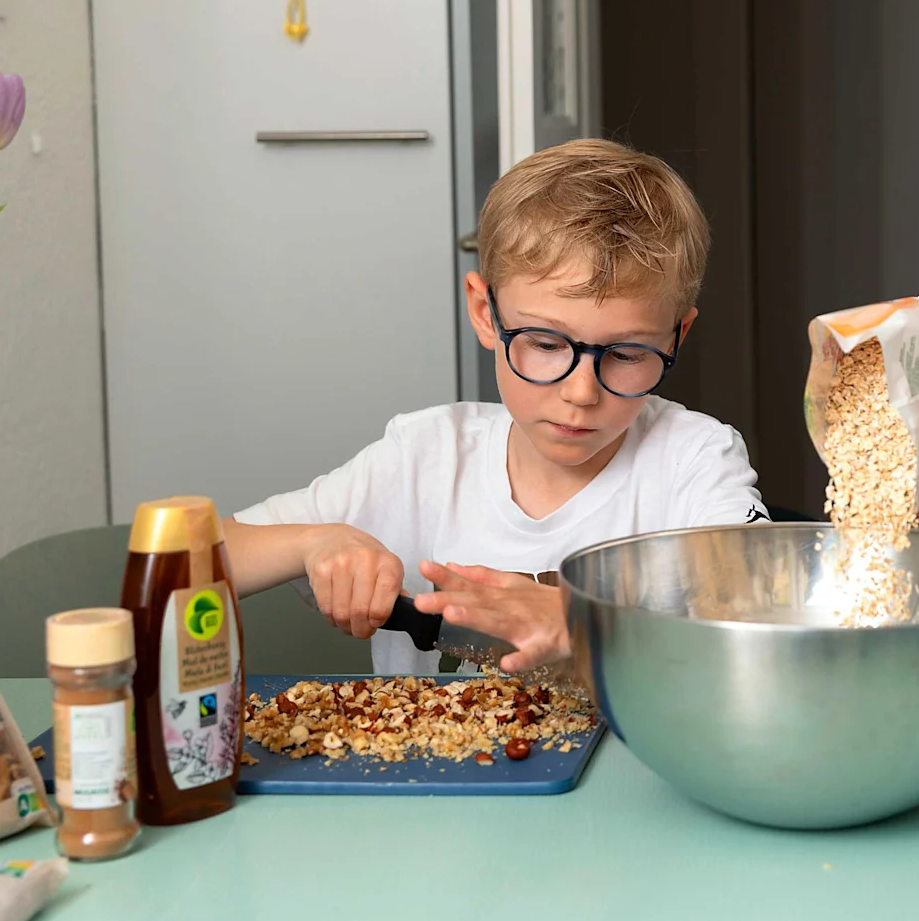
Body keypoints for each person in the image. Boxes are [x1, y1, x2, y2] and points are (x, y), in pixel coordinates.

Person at [224, 138, 767, 675]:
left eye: (626, 353)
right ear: (486, 313)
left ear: (678, 336)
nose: (581, 392)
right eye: (547, 344)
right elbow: (196, 561)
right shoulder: (424, 457)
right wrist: (314, 541)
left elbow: (768, 612)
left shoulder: (693, 460)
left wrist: (584, 626)